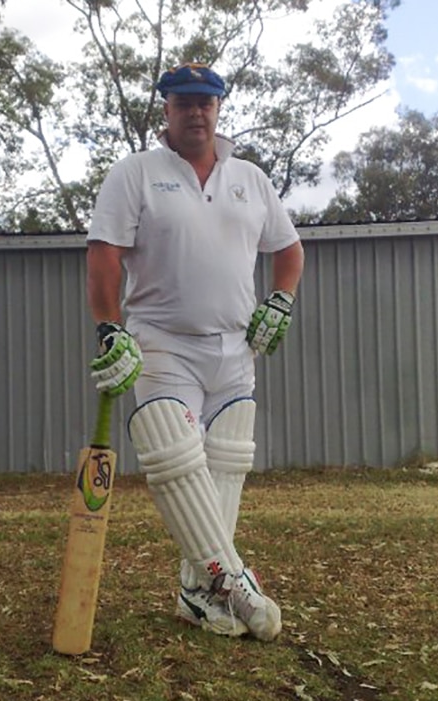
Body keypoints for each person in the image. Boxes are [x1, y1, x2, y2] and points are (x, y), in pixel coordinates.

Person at [86, 63, 304, 641]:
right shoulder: (136, 173)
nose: (196, 112)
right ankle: (234, 583)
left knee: (225, 465)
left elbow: (288, 250)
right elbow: (105, 252)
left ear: (218, 108)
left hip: (237, 345)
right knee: (176, 456)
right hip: (163, 340)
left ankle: (195, 591)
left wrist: (280, 301)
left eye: (205, 103)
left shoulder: (250, 178)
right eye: (184, 102)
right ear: (166, 109)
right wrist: (109, 326)